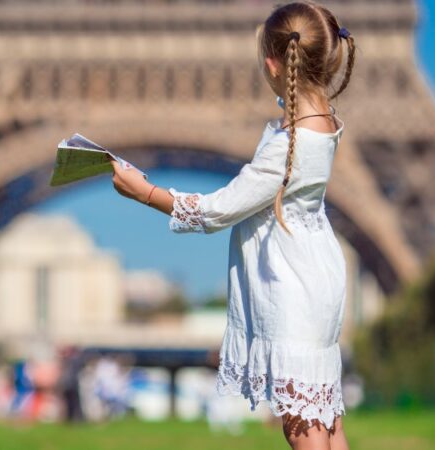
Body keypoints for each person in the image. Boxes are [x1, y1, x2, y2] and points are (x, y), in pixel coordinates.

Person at [109, 2, 355, 449]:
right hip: (320, 284)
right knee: (325, 421)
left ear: (271, 64)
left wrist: (144, 191)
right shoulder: (322, 124)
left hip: (292, 291)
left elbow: (216, 210)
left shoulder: (287, 146)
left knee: (303, 430)